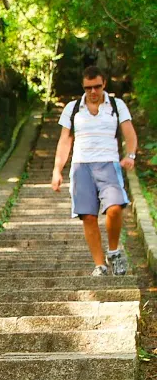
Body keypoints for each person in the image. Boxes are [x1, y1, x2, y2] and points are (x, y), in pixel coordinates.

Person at [51, 65, 138, 276]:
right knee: (88, 216)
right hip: (81, 166)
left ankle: (115, 250)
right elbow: (65, 141)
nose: (93, 91)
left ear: (104, 84)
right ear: (83, 86)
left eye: (97, 87)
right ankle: (100, 264)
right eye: (88, 87)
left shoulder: (117, 105)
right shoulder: (72, 108)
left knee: (115, 207)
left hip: (108, 163)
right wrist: (57, 169)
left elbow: (130, 134)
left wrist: (131, 155)